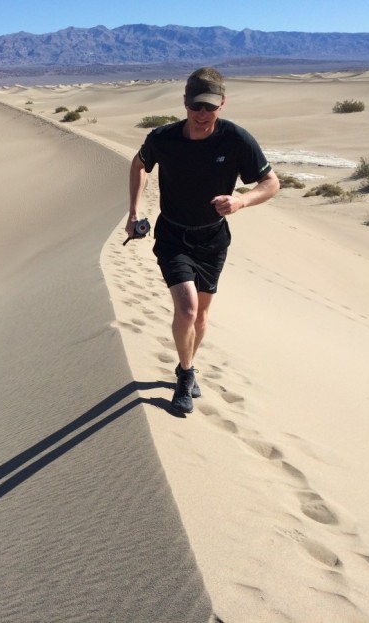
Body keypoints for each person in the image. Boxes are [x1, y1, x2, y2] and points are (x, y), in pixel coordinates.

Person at [127, 67, 280, 414]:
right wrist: (134, 211)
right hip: (173, 235)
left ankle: (188, 364)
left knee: (201, 317)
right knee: (187, 309)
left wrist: (241, 201)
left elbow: (271, 183)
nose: (201, 113)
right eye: (195, 105)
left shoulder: (236, 139)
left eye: (209, 106)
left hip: (213, 239)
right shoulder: (164, 138)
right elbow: (139, 164)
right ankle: (185, 374)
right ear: (184, 102)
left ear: (222, 104)